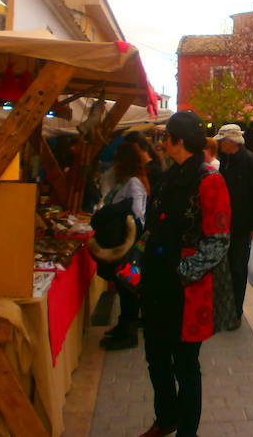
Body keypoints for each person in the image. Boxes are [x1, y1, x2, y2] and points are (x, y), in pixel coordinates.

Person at [139, 111, 232, 437]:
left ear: (178, 141)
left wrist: (181, 273)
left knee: (186, 366)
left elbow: (219, 240)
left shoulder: (210, 180)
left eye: (165, 137)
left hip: (186, 291)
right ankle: (166, 417)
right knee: (156, 358)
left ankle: (187, 432)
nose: (161, 143)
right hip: (155, 284)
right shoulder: (167, 177)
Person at [93, 143, 149, 350]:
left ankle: (128, 332)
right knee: (124, 287)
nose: (114, 163)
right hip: (124, 243)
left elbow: (136, 214)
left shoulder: (133, 182)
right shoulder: (126, 181)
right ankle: (124, 326)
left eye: (117, 159)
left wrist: (112, 212)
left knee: (128, 289)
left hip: (128, 244)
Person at [214, 124, 253, 330]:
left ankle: (236, 311)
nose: (219, 144)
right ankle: (223, 307)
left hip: (242, 227)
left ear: (231, 142)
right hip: (224, 225)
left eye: (221, 141)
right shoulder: (225, 161)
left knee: (237, 269)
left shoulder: (249, 162)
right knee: (224, 268)